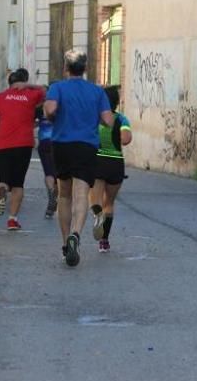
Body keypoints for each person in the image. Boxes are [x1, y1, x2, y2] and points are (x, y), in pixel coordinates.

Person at [43, 50, 114, 267]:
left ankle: (66, 245)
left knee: (64, 194)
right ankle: (76, 234)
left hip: (62, 144)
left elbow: (51, 109)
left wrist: (50, 113)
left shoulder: (57, 87)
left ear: (66, 67)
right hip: (86, 146)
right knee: (82, 193)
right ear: (85, 69)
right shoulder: (96, 91)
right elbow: (109, 121)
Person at [0, 68, 46, 230]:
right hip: (24, 144)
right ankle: (12, 220)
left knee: (3, 179)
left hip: (4, 143)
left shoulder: (0, 97)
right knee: (18, 184)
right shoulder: (31, 95)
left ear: (8, 83)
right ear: (22, 82)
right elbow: (46, 90)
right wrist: (29, 85)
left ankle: (2, 191)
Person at [88, 86, 131, 253]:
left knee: (95, 200)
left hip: (97, 160)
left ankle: (97, 215)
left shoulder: (94, 118)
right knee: (109, 204)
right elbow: (126, 139)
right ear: (117, 102)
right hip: (115, 163)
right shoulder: (122, 119)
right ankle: (104, 241)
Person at [36, 82, 59, 218]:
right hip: (60, 143)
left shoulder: (40, 108)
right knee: (59, 175)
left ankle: (51, 194)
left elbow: (30, 121)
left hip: (44, 142)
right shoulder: (60, 107)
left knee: (48, 172)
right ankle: (55, 200)